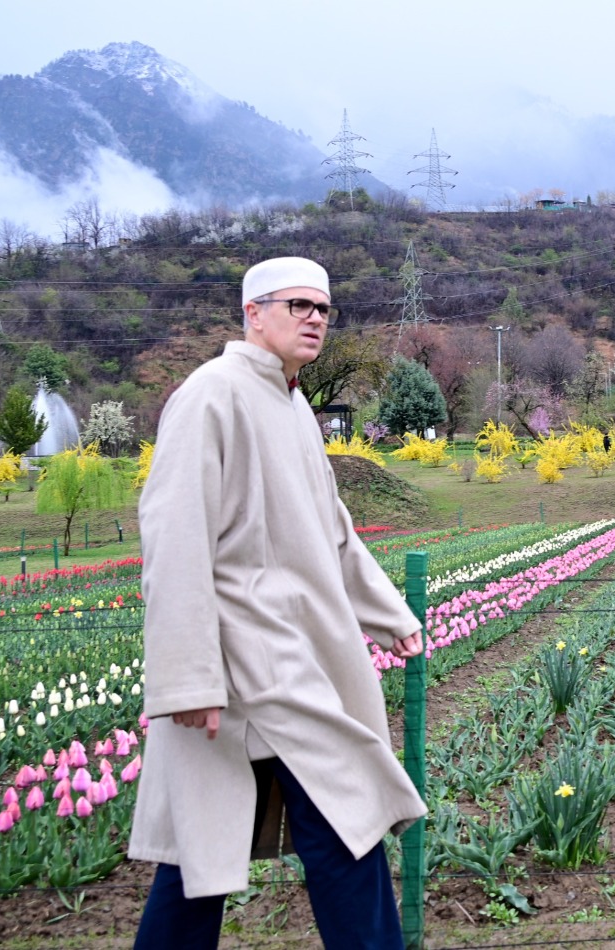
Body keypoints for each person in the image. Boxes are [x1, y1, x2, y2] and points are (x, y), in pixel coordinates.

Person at [129, 257, 426, 949]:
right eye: (297, 305)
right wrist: (187, 677)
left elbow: (332, 531)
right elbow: (173, 541)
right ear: (252, 313)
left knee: (202, 858)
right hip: (247, 662)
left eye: (322, 307)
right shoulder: (210, 397)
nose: (315, 317)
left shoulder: (292, 405)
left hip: (293, 652)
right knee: (341, 815)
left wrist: (388, 615)